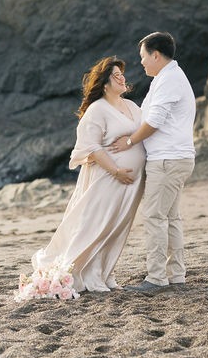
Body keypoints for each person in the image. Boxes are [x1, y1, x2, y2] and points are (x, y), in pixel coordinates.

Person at [14, 56, 146, 300]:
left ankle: (103, 274)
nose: (122, 78)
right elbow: (91, 147)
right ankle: (80, 274)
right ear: (105, 83)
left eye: (122, 74)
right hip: (108, 179)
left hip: (131, 183)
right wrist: (116, 170)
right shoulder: (97, 110)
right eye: (116, 75)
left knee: (117, 228)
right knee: (96, 226)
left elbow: (143, 132)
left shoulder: (132, 107)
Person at [109, 31, 196, 294]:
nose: (142, 62)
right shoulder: (167, 78)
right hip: (174, 158)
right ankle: (175, 274)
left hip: (168, 160)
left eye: (143, 57)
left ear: (155, 54)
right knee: (170, 217)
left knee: (156, 217)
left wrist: (129, 142)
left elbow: (155, 121)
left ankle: (157, 278)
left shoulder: (169, 79)